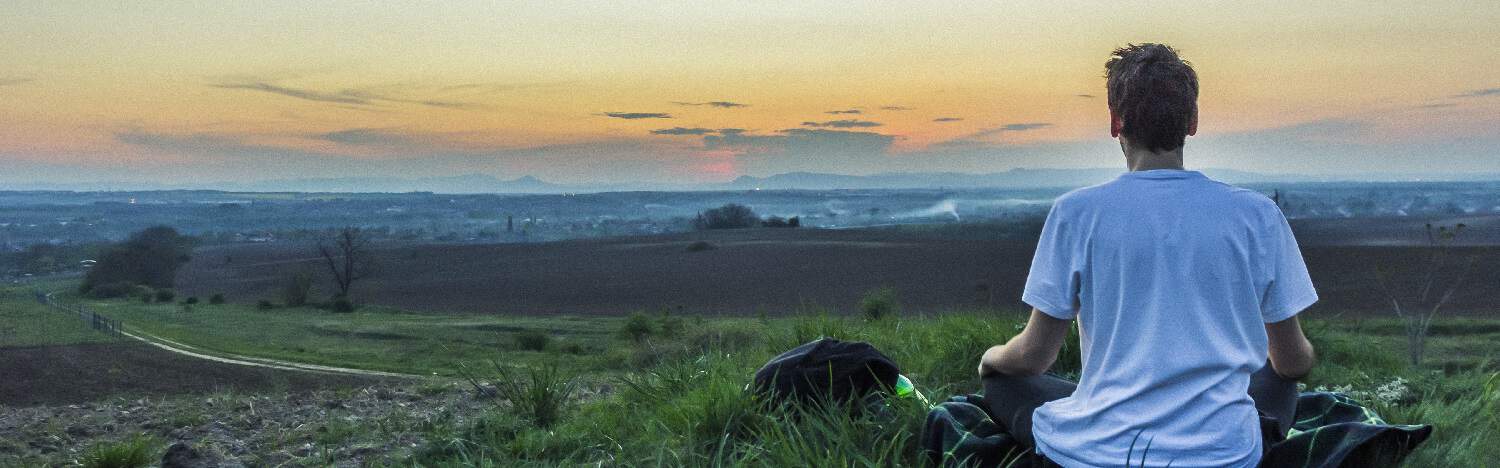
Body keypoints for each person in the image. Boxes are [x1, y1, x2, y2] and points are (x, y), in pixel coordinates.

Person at [976, 43, 1318, 467]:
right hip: (1224, 453)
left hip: (1098, 451)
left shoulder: (1075, 213)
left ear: (1116, 121)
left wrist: (990, 358)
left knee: (1002, 383)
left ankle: (1095, 413)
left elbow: (1032, 358)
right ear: (1192, 123)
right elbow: (1293, 362)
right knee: (1279, 379)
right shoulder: (1258, 215)